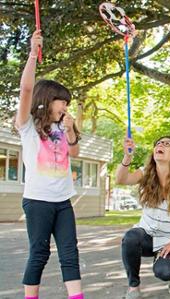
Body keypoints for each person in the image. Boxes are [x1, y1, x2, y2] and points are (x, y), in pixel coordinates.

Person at [16, 30, 84, 299]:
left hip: (63, 200)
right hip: (38, 200)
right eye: (62, 101)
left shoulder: (64, 126)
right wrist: (33, 53)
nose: (65, 106)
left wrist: (70, 131)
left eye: (67, 102)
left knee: (70, 252)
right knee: (39, 253)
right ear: (47, 99)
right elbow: (26, 89)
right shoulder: (28, 126)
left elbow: (75, 152)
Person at [116, 136, 170, 299]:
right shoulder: (145, 173)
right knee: (130, 238)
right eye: (158, 144)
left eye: (166, 144)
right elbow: (121, 179)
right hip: (147, 236)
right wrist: (127, 157)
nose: (160, 145)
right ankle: (134, 286)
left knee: (164, 272)